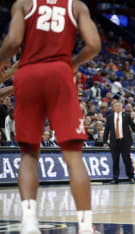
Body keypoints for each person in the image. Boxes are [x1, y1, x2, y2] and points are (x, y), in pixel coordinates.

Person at [0, 0, 101, 233]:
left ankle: (29, 223)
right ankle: (86, 228)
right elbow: (93, 45)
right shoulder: (76, 6)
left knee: (28, 154)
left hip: (28, 75)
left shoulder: (24, 4)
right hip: (60, 74)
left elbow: (13, 42)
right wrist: (72, 63)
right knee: (74, 157)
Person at [103, 101, 135, 184]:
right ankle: (115, 178)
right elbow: (107, 130)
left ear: (122, 107)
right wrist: (105, 141)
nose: (117, 107)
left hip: (125, 141)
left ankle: (131, 177)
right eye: (116, 106)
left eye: (119, 106)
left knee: (127, 160)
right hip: (114, 142)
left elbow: (133, 126)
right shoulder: (110, 117)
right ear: (113, 108)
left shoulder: (126, 116)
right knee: (115, 160)